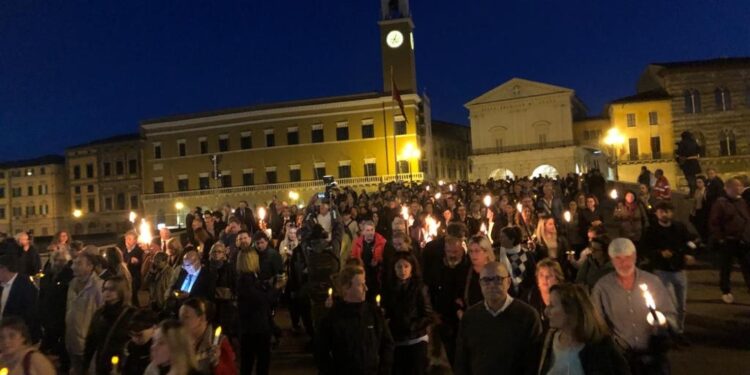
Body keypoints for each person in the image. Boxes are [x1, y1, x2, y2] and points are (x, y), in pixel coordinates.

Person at [591, 238, 676, 374]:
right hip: (622, 360)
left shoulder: (652, 282)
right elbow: (596, 324)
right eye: (618, 258)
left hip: (653, 357)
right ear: (611, 260)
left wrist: (664, 322)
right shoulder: (602, 288)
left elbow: (670, 313)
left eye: (628, 257)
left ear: (635, 256)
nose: (624, 263)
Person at [454, 262, 542, 375]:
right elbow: (461, 361)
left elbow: (533, 363)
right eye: (486, 280)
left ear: (508, 282)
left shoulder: (527, 316)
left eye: (498, 279)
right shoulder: (470, 317)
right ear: (480, 284)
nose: (491, 285)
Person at [316, 266, 394, 374]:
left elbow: (387, 343)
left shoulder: (373, 313)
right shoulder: (332, 317)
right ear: (346, 287)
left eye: (365, 283)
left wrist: (383, 370)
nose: (366, 288)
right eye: (360, 284)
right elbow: (321, 351)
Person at [539, 283, 630, 375]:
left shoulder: (601, 347)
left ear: (571, 310)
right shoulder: (547, 342)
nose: (546, 312)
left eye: (552, 306)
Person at [381, 252, 434, 375]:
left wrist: (412, 326)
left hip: (415, 338)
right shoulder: (389, 288)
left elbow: (428, 314)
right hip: (396, 339)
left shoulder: (419, 288)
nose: (402, 270)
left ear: (412, 268)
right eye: (399, 267)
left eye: (406, 266)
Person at [424, 235, 469, 364]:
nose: (452, 255)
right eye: (449, 251)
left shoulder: (467, 267)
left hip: (461, 319)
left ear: (461, 250)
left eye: (455, 252)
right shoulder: (438, 267)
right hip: (442, 318)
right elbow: (430, 288)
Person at [235, 230, 274, 375]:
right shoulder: (247, 280)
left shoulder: (246, 279)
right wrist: (274, 289)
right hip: (256, 328)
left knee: (247, 360)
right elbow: (261, 300)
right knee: (260, 361)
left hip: (248, 327)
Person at [708, 178, 750, 304]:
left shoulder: (741, 201)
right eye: (736, 186)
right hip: (728, 240)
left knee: (747, 266)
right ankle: (726, 290)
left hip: (743, 239)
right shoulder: (720, 203)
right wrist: (721, 238)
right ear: (729, 188)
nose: (739, 188)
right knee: (726, 267)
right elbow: (714, 222)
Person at [84, 276, 137, 375]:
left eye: (112, 289)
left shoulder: (131, 314)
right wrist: (85, 365)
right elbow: (91, 341)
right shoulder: (100, 313)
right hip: (101, 363)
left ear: (121, 291)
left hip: (122, 365)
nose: (106, 292)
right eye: (105, 289)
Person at [66, 252, 104, 375]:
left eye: (78, 264)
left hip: (88, 344)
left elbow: (102, 314)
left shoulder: (98, 286)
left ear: (90, 266)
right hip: (72, 341)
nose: (73, 267)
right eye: (73, 263)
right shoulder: (72, 283)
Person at [179, 298, 237, 375]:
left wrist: (217, 363)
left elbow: (231, 372)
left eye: (186, 317)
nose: (180, 322)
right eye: (180, 317)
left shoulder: (219, 342)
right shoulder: (179, 340)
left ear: (201, 318)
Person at [39, 248, 74, 359]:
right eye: (57, 260)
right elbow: (42, 295)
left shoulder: (69, 276)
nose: (59, 263)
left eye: (62, 260)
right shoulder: (47, 276)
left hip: (60, 317)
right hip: (48, 316)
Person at [0, 253, 41, 345]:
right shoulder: (3, 285)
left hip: (20, 338)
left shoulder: (25, 286)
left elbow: (30, 315)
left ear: (4, 269)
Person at [524, 259, 564, 333]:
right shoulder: (529, 297)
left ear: (558, 279)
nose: (545, 279)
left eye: (549, 275)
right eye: (541, 275)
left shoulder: (565, 298)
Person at [350, 220, 387, 301]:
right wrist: (359, 263)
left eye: (372, 230)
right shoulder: (357, 242)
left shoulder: (382, 242)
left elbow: (386, 258)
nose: (370, 233)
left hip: (376, 274)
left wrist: (378, 261)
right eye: (367, 230)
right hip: (362, 272)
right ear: (363, 232)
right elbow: (353, 257)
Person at [497, 226, 537, 298]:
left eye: (503, 237)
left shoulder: (526, 255)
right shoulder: (499, 254)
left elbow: (532, 276)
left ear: (512, 240)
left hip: (523, 296)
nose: (500, 239)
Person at [121, 309, 159, 375]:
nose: (135, 338)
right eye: (131, 334)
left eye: (139, 335)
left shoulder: (160, 348)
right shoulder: (130, 347)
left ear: (154, 328)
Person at [463, 234, 495, 308]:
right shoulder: (466, 272)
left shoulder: (497, 271)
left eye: (477, 251)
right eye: (471, 251)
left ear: (486, 252)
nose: (473, 255)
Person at [121, 231, 144, 306]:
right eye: (126, 239)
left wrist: (133, 261)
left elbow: (138, 262)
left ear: (135, 241)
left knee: (133, 295)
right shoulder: (124, 250)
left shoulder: (139, 250)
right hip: (126, 277)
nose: (127, 241)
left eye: (130, 239)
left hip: (134, 277)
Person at [675, 131, 702, 195]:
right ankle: (695, 191)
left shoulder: (683, 142)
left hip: (687, 162)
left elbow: (679, 152)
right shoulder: (693, 142)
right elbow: (699, 149)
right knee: (693, 177)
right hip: (694, 161)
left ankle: (692, 192)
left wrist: (678, 148)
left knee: (689, 177)